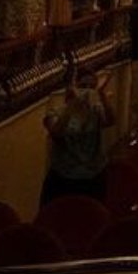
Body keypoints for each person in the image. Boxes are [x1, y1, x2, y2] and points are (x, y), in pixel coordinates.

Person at [42, 69, 114, 203]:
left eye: (91, 87)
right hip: (63, 178)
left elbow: (110, 121)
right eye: (82, 86)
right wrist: (73, 105)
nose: (86, 91)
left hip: (93, 176)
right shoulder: (56, 112)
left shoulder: (96, 111)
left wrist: (102, 94)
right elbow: (56, 134)